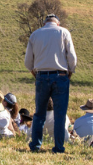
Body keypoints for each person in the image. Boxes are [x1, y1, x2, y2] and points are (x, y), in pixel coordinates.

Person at [24, 13, 77, 153]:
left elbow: (27, 61)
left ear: (45, 23)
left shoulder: (35, 34)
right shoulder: (64, 32)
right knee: (60, 114)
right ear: (57, 23)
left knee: (39, 113)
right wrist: (70, 72)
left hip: (41, 75)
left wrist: (34, 73)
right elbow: (72, 57)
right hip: (60, 75)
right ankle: (59, 147)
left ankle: (35, 145)